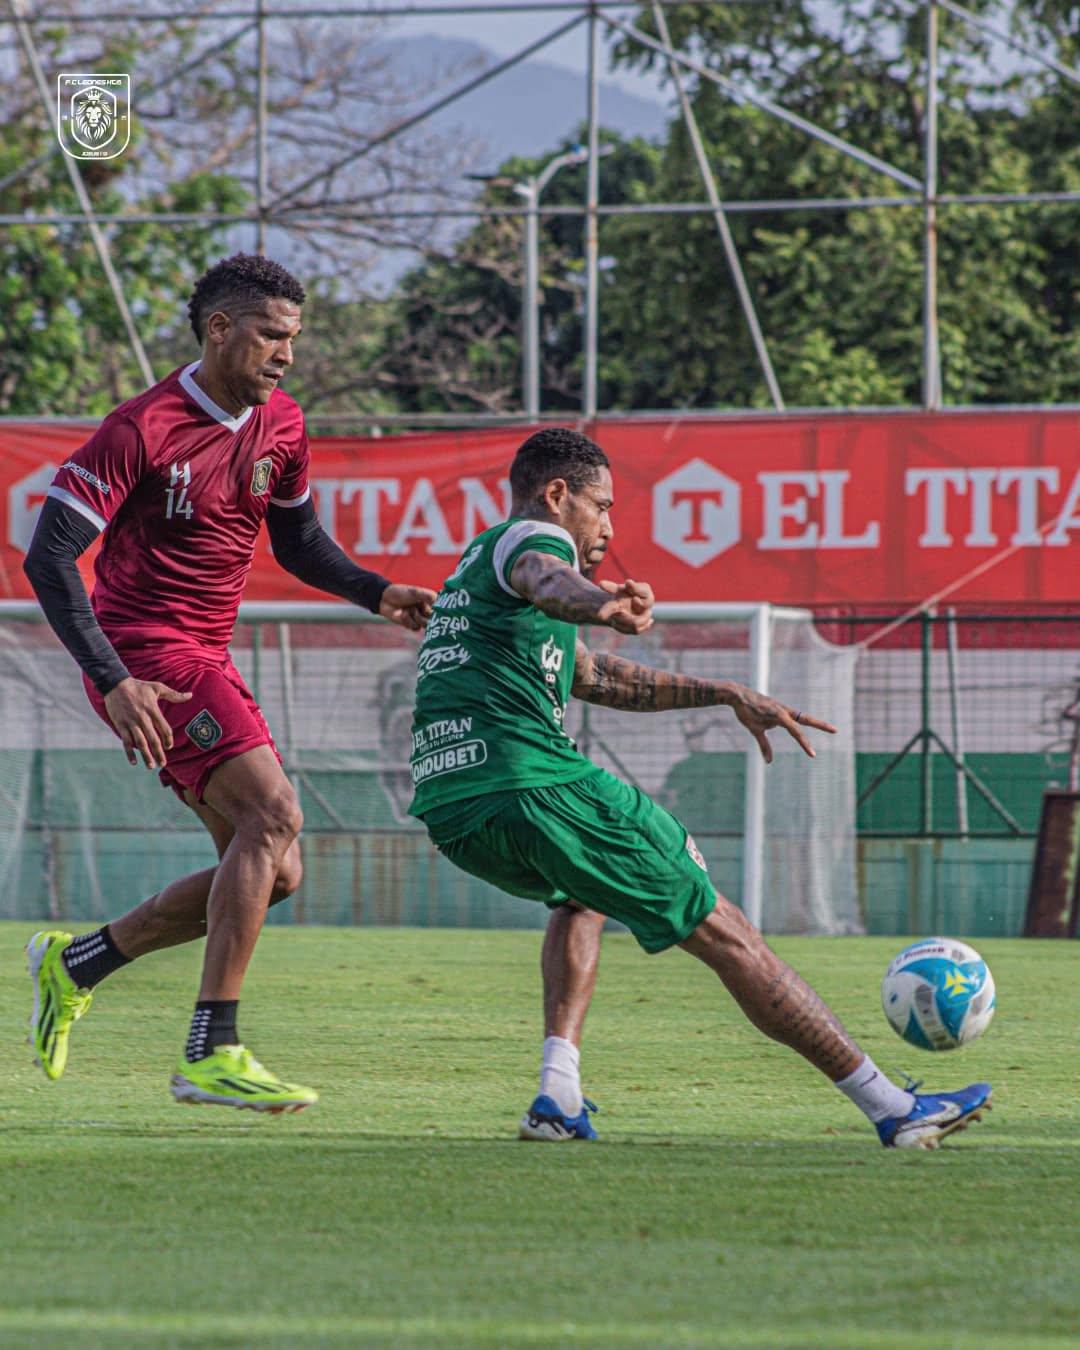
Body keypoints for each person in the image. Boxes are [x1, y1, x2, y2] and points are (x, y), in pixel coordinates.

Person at [409, 427, 992, 1149]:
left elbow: (597, 677)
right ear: (559, 495)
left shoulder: (476, 567)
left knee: (583, 893)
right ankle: (893, 1109)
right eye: (602, 506)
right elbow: (549, 579)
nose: (609, 527)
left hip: (455, 806)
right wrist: (601, 604)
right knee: (727, 932)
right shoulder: (533, 538)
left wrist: (722, 693)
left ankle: (557, 1094)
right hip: (532, 784)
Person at [24, 253, 435, 1113]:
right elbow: (50, 556)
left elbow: (298, 544)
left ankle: (80, 963)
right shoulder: (142, 427)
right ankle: (212, 1050)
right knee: (273, 815)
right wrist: (110, 681)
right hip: (147, 655)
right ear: (220, 329)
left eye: (294, 338)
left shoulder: (282, 422)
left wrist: (378, 590)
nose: (286, 354)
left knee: (275, 873)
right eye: (271, 335)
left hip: (209, 655)